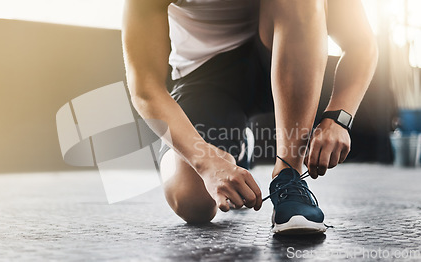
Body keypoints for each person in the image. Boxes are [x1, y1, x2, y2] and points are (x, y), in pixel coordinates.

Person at [122, 0, 377, 234]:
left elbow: (361, 43)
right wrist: (206, 162)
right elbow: (145, 89)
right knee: (191, 201)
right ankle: (241, 146)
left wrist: (338, 118)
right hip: (204, 76)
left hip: (288, 55)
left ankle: (288, 178)